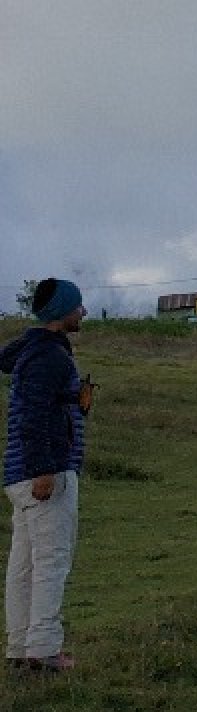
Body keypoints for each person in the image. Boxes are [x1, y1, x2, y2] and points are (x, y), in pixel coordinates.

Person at [3, 278, 91, 675]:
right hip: (43, 472)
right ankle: (43, 651)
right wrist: (44, 470)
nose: (83, 313)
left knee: (24, 565)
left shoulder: (33, 349)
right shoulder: (49, 358)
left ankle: (21, 647)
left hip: (19, 472)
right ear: (62, 313)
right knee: (52, 561)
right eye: (77, 307)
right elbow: (36, 415)